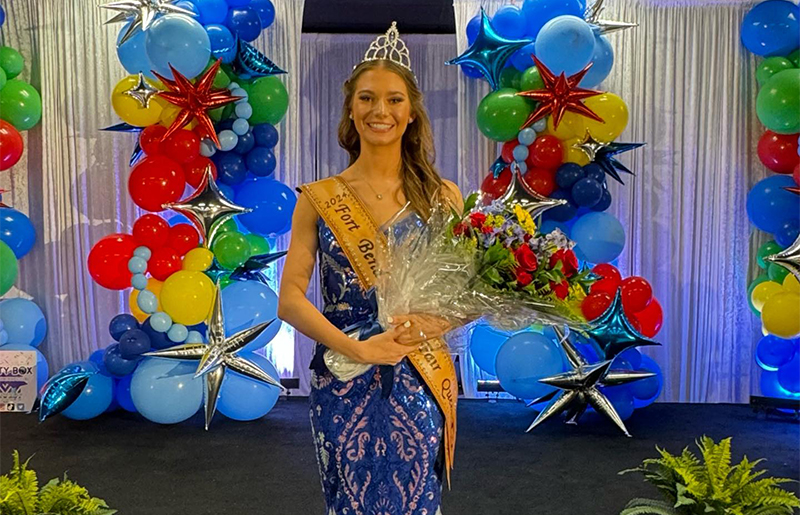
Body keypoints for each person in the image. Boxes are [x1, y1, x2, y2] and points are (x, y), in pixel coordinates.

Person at [278, 22, 463, 515]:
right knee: (349, 498)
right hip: (343, 371)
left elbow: (464, 292)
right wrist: (356, 347)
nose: (380, 111)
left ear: (411, 112)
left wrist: (429, 326)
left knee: (416, 495)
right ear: (351, 108)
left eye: (394, 99)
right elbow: (290, 298)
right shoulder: (320, 198)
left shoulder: (443, 197)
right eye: (367, 98)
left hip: (419, 368)